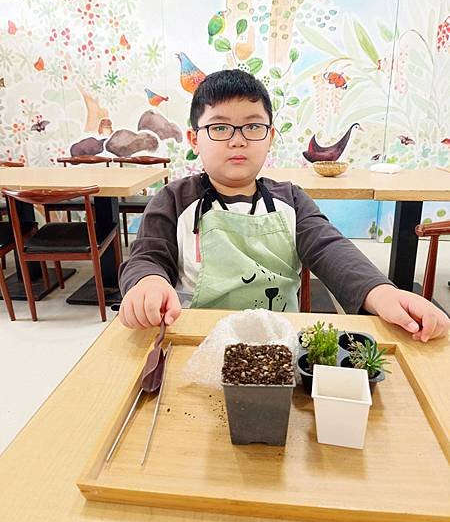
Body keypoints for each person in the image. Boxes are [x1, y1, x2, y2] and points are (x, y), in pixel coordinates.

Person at [119, 69, 449, 342]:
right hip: (196, 339)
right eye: (220, 127)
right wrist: (148, 282)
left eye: (252, 126)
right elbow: (147, 257)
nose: (238, 139)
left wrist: (381, 293)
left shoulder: (290, 199)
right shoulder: (173, 200)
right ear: (195, 140)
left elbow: (330, 248)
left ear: (270, 136)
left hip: (277, 342)